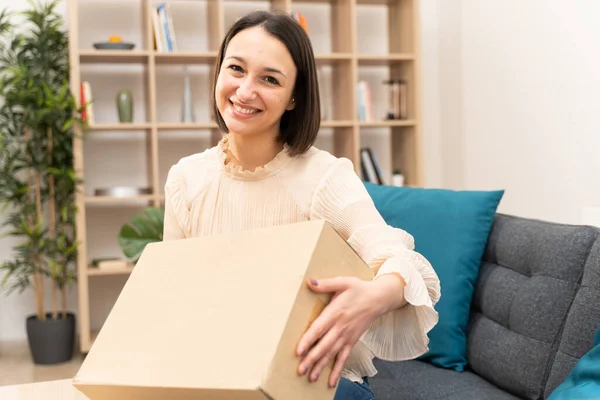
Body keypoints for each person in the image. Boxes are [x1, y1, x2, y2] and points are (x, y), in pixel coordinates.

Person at [162, 10, 441, 400]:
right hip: (219, 374)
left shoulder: (325, 178)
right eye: (236, 69)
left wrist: (378, 295)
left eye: (269, 79)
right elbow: (171, 295)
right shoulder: (186, 179)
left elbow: (405, 265)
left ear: (294, 97)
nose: (244, 91)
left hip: (307, 381)